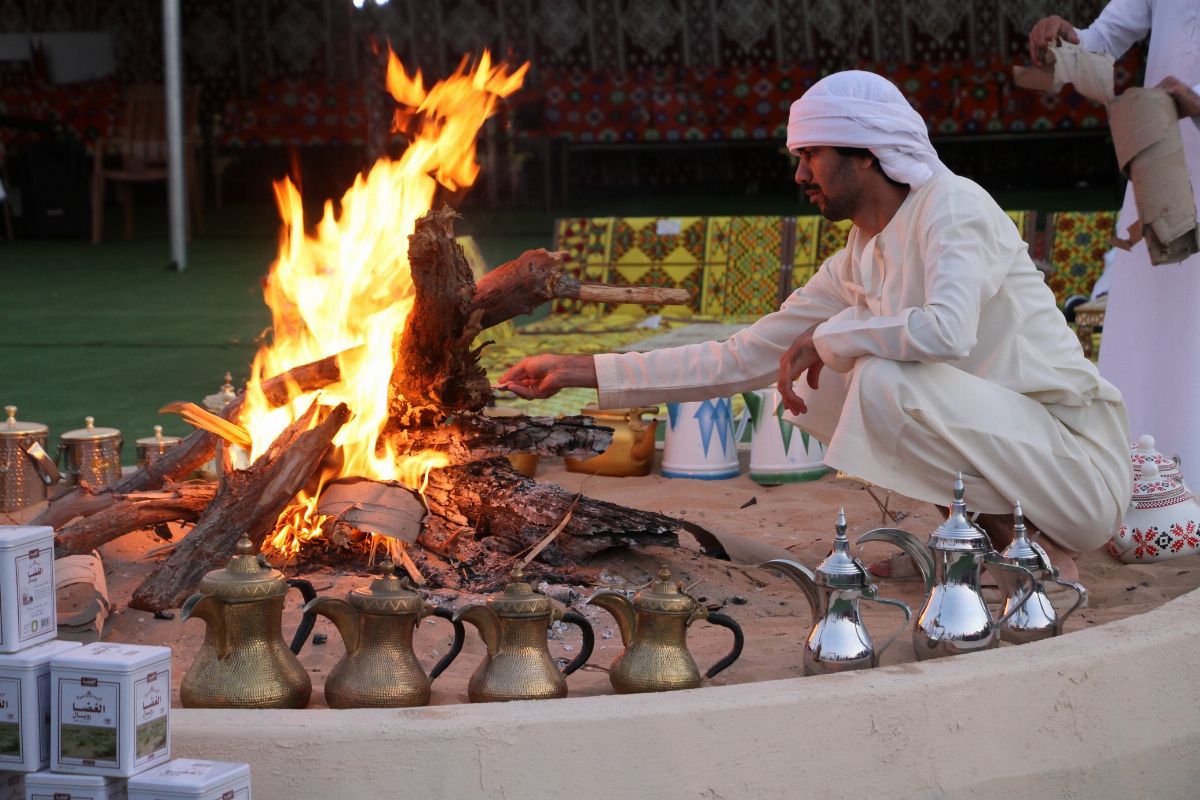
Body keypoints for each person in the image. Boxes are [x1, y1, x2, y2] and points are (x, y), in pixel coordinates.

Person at [500, 71, 1132, 581]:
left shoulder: (955, 206)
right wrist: (578, 370)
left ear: (866, 154)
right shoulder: (859, 253)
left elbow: (947, 332)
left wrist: (832, 338)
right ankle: (974, 545)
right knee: (809, 380)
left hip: (1074, 470)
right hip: (1017, 464)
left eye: (811, 155)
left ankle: (1028, 553)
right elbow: (737, 357)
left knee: (878, 373)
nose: (800, 175)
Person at [1030, 2, 1200, 471]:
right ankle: (1150, 480)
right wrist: (1065, 43)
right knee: (1151, 322)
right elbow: (1102, 41)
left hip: (1176, 138)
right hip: (1163, 164)